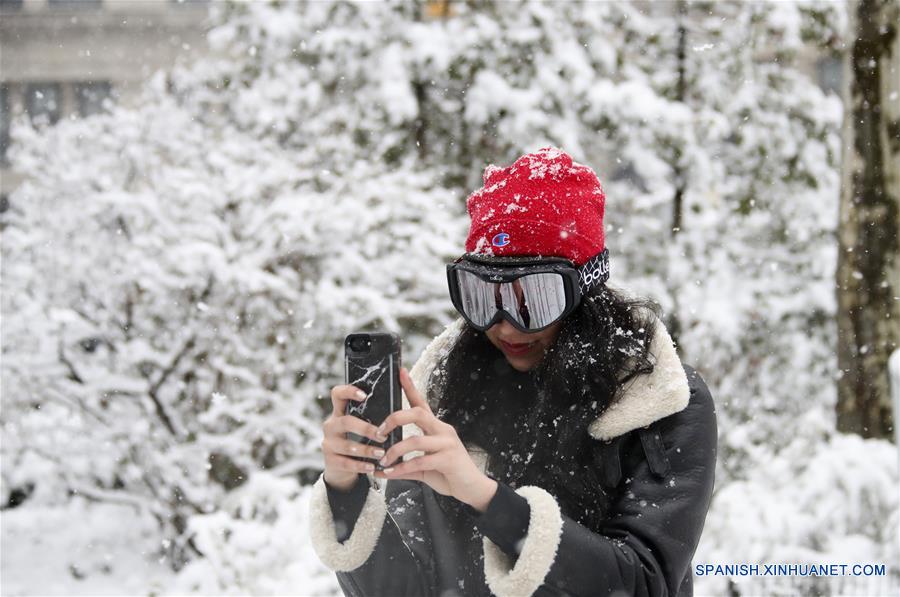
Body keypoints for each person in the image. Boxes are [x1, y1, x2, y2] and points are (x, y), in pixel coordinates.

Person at [308, 147, 717, 597]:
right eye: (482, 296)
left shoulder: (656, 402)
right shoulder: (452, 397)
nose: (504, 325)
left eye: (535, 299)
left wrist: (488, 500)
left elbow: (641, 583)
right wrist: (347, 490)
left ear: (585, 292)